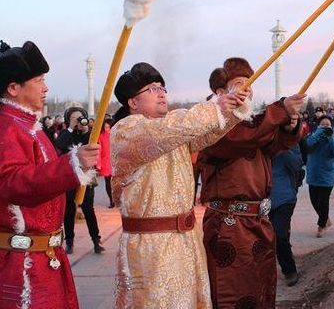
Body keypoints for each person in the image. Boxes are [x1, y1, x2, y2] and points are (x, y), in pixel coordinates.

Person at [110, 62, 249, 308]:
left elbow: (205, 133)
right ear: (133, 102)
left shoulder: (173, 134)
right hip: (150, 247)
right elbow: (169, 129)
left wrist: (231, 109)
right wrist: (214, 106)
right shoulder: (127, 130)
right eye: (152, 89)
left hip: (185, 240)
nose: (162, 92)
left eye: (162, 87)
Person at [198, 57, 305, 308]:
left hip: (258, 222)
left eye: (251, 84)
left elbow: (274, 144)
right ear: (221, 91)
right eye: (239, 83)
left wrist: (289, 126)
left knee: (261, 289)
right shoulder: (213, 123)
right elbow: (241, 138)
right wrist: (281, 110)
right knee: (233, 294)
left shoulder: (253, 124)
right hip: (229, 226)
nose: (247, 89)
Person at [0, 40, 99, 308]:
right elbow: (12, 183)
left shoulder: (29, 126)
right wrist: (70, 165)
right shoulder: (7, 128)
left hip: (45, 256)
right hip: (23, 264)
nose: (45, 88)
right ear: (13, 88)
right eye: (39, 80)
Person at [55, 107, 105, 254]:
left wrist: (84, 130)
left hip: (86, 177)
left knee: (88, 209)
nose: (78, 121)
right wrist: (71, 128)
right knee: (69, 210)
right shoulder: (65, 134)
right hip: (69, 176)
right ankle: (69, 241)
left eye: (80, 118)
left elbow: (92, 145)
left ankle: (96, 240)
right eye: (74, 119)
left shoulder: (87, 134)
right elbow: (60, 145)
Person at [269, 144, 304, 287]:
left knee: (279, 235)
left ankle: (289, 269)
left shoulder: (289, 142)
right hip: (260, 197)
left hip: (284, 197)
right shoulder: (258, 139)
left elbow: (297, 164)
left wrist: (282, 148)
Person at [305, 115, 334, 237]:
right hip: (313, 173)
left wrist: (331, 138)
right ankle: (326, 219)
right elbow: (306, 147)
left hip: (327, 174)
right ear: (318, 126)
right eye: (322, 124)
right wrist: (316, 135)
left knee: (323, 201)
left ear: (332, 126)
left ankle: (321, 225)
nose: (325, 126)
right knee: (314, 201)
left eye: (327, 125)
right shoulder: (312, 137)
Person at [97, 118, 114, 208]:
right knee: (108, 182)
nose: (107, 129)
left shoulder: (116, 134)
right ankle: (111, 200)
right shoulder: (101, 136)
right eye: (105, 127)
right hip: (106, 161)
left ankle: (117, 199)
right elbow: (99, 150)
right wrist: (98, 164)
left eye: (109, 127)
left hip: (115, 161)